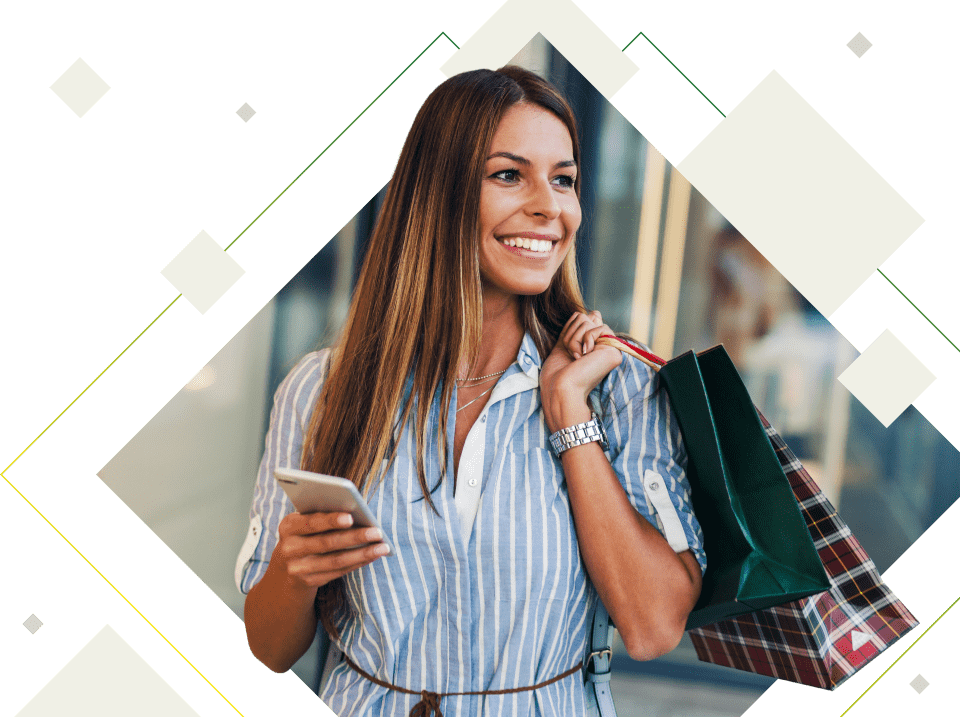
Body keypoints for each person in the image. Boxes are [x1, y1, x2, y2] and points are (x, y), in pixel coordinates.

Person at [236, 66, 706, 717]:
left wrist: (567, 410)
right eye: (509, 174)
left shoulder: (616, 387)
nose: (550, 206)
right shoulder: (320, 389)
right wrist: (292, 571)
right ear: (438, 193)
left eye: (564, 179)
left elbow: (655, 628)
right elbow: (269, 647)